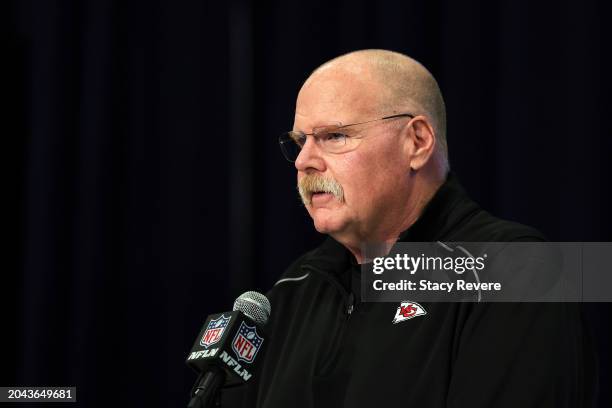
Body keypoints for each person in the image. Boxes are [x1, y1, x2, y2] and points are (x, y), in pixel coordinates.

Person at [223, 49, 596, 407]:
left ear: (416, 142)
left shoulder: (518, 272)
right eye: (300, 143)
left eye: (334, 137)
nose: (303, 161)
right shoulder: (293, 290)